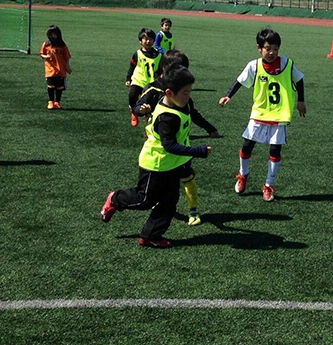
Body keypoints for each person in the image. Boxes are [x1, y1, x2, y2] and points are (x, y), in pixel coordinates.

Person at [100, 65, 211, 248]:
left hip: (172, 165)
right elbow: (169, 146)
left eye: (189, 91)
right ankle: (115, 198)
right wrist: (197, 151)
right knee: (145, 199)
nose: (188, 96)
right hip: (156, 164)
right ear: (169, 92)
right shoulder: (167, 117)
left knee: (169, 202)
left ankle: (151, 235)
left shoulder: (178, 103)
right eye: (185, 92)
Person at [218, 28, 306, 202]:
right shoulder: (254, 65)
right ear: (259, 48)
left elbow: (299, 80)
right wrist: (228, 95)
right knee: (247, 146)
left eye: (275, 48)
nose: (272, 52)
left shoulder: (287, 64)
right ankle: (243, 175)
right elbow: (240, 81)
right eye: (268, 48)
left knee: (275, 150)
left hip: (279, 115)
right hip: (259, 113)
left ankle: (268, 185)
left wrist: (301, 101)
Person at [135, 49, 219, 226]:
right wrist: (140, 110)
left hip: (181, 148)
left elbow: (193, 113)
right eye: (180, 68)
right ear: (165, 68)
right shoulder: (152, 89)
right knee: (161, 186)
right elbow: (138, 106)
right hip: (161, 149)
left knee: (187, 178)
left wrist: (208, 128)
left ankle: (193, 211)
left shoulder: (183, 94)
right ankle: (158, 205)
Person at [125, 27, 161, 127]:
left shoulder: (158, 55)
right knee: (132, 96)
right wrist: (128, 79)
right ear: (140, 41)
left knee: (150, 106)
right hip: (138, 80)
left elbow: (159, 70)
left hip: (151, 84)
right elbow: (132, 67)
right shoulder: (137, 54)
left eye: (150, 39)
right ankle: (133, 111)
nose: (148, 41)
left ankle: (148, 125)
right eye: (145, 39)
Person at [39, 25, 71, 110]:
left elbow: (66, 57)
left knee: (59, 87)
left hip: (60, 70)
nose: (53, 36)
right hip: (50, 69)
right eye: (51, 34)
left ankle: (57, 102)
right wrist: (46, 56)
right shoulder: (46, 44)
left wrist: (68, 67)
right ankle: (51, 101)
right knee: (50, 86)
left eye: (54, 34)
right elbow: (41, 54)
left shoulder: (62, 45)